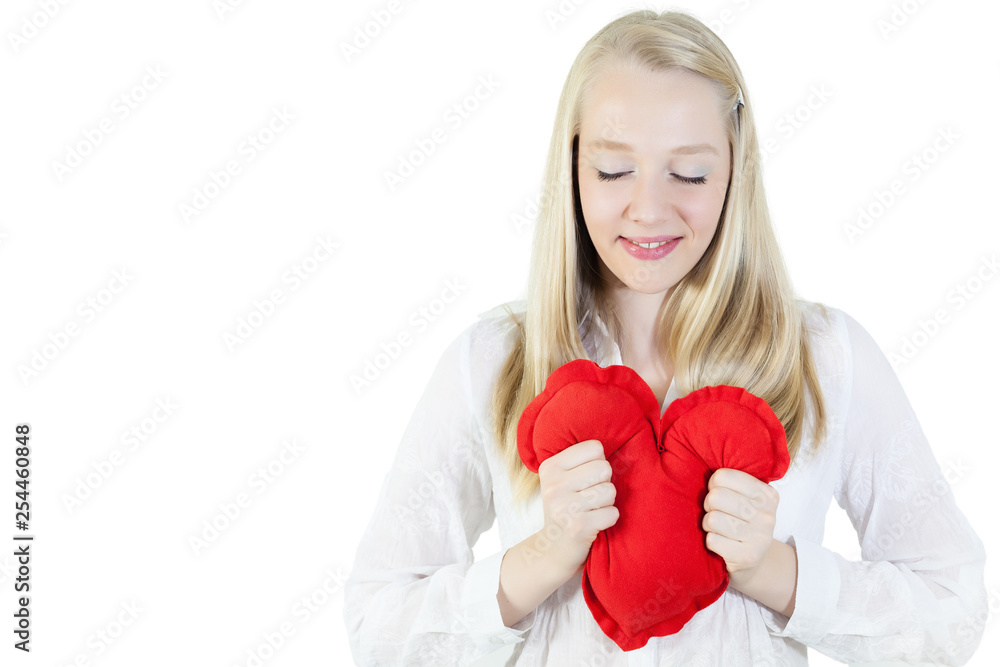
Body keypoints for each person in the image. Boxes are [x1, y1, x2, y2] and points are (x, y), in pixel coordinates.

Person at [343, 9, 987, 666]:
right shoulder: (491, 359)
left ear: (737, 171)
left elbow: (953, 608)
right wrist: (540, 558)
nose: (649, 209)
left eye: (690, 174)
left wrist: (775, 572)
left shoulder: (827, 356)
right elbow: (375, 621)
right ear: (572, 170)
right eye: (614, 171)